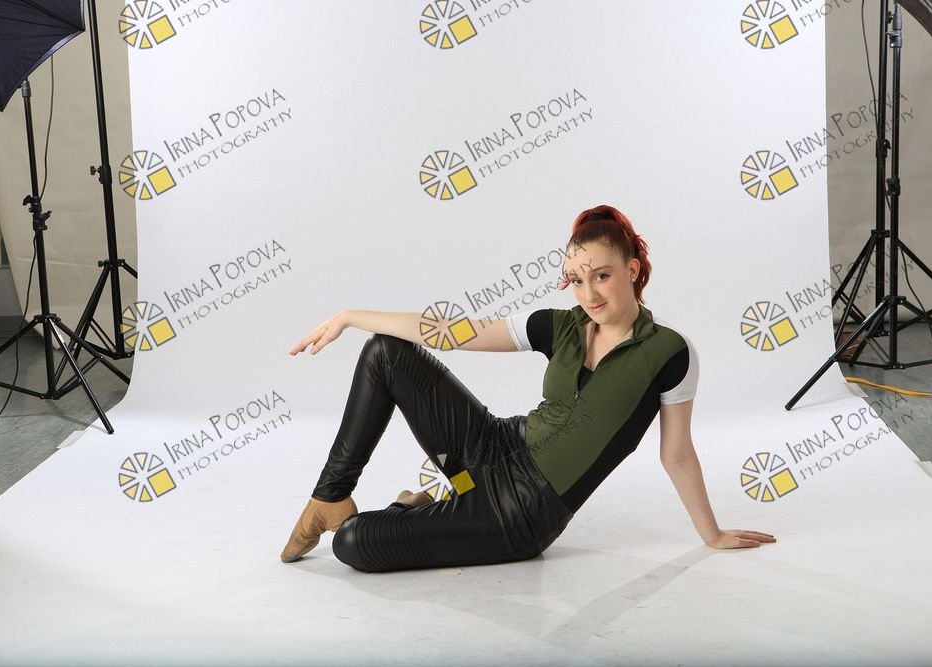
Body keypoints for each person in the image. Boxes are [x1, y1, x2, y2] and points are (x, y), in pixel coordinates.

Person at [280, 204, 776, 572]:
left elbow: (678, 454)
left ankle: (416, 509)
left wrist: (711, 534)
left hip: (519, 512)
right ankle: (329, 497)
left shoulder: (670, 351)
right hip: (490, 448)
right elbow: (453, 332)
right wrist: (349, 316)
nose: (588, 293)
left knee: (352, 544)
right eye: (576, 280)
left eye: (601, 276)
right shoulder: (558, 325)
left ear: (632, 269)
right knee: (385, 353)